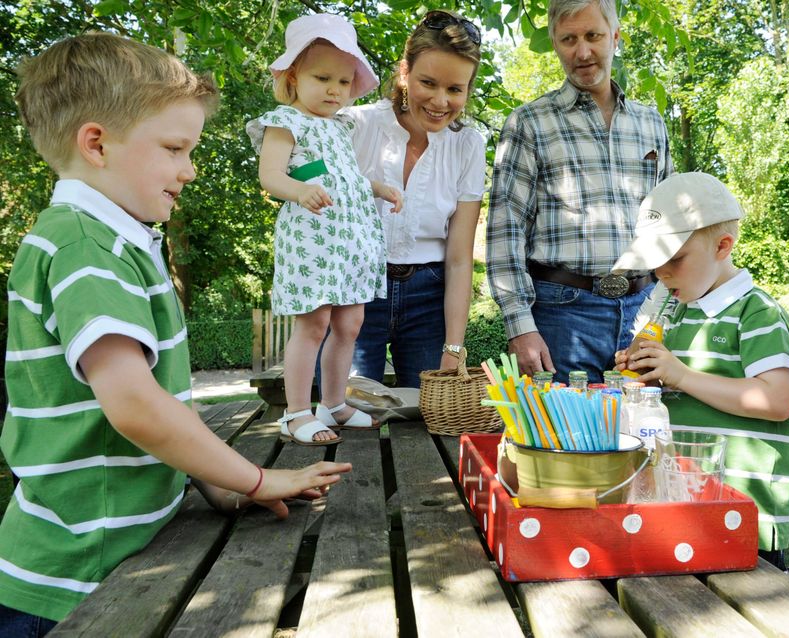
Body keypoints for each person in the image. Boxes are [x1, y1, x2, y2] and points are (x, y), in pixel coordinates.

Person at [0, 32, 350, 632]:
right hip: (76, 579)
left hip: (119, 558)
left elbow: (160, 401)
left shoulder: (113, 239)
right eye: (175, 148)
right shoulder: (88, 246)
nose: (189, 171)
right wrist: (257, 476)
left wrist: (219, 485)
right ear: (96, 144)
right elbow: (135, 406)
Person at [613, 172, 789, 571]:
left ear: (723, 246)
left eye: (674, 260)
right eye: (654, 264)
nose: (661, 274)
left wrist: (680, 375)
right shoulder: (676, 311)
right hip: (685, 502)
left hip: (744, 509)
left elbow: (778, 400)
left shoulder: (757, 312)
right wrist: (644, 375)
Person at [486, 0, 672, 383]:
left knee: (641, 435)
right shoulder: (529, 123)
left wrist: (666, 311)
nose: (582, 51)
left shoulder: (650, 122)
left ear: (615, 37)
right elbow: (505, 232)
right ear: (555, 43)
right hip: (561, 315)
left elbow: (671, 227)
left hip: (643, 314)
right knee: (559, 440)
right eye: (568, 39)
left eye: (593, 36)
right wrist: (520, 326)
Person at [247, 14, 403, 442]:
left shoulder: (339, 127)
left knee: (350, 324)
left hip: (350, 243)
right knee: (313, 324)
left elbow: (344, 176)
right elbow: (271, 176)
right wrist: (297, 191)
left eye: (343, 81)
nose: (334, 89)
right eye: (322, 78)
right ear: (293, 76)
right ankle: (295, 412)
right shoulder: (285, 121)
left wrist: (379, 188)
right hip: (313, 241)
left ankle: (333, 402)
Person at [343, 10, 486, 388]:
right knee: (350, 412)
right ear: (405, 73)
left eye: (455, 89)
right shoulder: (355, 126)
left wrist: (454, 347)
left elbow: (458, 258)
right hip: (356, 289)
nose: (441, 101)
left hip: (429, 298)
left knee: (429, 417)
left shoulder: (468, 145)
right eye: (428, 82)